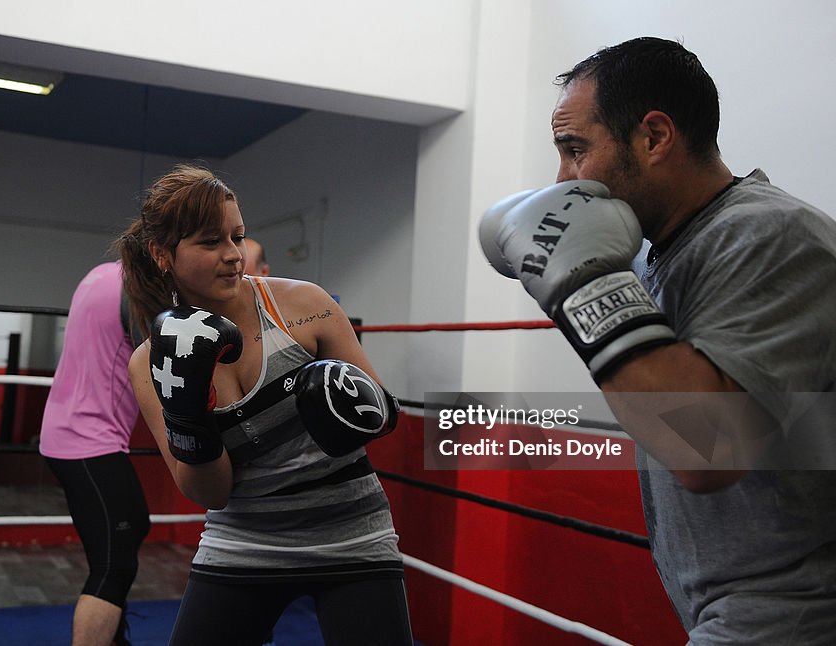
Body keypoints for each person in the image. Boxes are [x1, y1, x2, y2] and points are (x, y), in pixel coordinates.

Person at [480, 37, 836, 643]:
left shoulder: (767, 236)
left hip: (792, 613)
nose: (562, 179)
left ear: (654, 137)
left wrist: (582, 286)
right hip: (733, 608)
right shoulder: (667, 255)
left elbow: (707, 449)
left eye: (575, 149)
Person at [116, 165, 411, 645]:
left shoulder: (303, 306)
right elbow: (209, 492)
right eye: (211, 243)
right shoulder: (151, 363)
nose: (233, 256)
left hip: (351, 534)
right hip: (243, 542)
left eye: (237, 237)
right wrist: (189, 417)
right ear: (162, 254)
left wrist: (346, 402)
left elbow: (385, 415)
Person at [39, 261, 150, 646]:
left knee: (125, 534)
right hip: (89, 437)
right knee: (114, 565)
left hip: (68, 430)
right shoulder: (141, 287)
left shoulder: (101, 273)